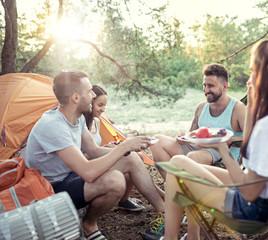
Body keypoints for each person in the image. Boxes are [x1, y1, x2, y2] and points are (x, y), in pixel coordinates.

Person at [158, 35, 268, 240]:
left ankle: (176, 237)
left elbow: (249, 192)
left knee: (177, 168)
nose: (248, 79)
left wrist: (223, 150)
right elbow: (254, 155)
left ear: (267, 74)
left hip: (252, 210)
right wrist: (252, 105)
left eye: (253, 71)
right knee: (179, 164)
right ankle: (190, 237)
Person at [25, 70, 165, 240]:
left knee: (130, 157)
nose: (93, 95)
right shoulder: (53, 125)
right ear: (76, 98)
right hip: (51, 189)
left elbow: (93, 151)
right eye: (89, 90)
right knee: (115, 181)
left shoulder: (77, 118)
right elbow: (87, 172)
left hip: (70, 178)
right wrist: (123, 147)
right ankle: (89, 224)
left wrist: (128, 148)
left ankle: (164, 213)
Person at [150, 63, 246, 179]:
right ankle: (173, 186)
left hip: (221, 152)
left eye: (210, 86)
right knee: (157, 141)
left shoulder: (238, 108)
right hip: (197, 147)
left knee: (192, 158)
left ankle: (182, 189)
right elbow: (191, 133)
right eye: (204, 85)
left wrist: (229, 140)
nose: (206, 90)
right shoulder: (201, 107)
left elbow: (253, 137)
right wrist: (183, 137)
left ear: (225, 86)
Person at [83, 84, 145, 212]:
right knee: (131, 158)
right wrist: (120, 149)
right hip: (86, 165)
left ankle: (124, 201)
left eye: (105, 105)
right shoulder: (80, 124)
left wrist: (110, 147)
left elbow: (95, 148)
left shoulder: (97, 121)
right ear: (90, 103)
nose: (103, 109)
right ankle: (161, 199)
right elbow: (87, 154)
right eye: (100, 105)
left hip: (95, 159)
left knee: (138, 156)